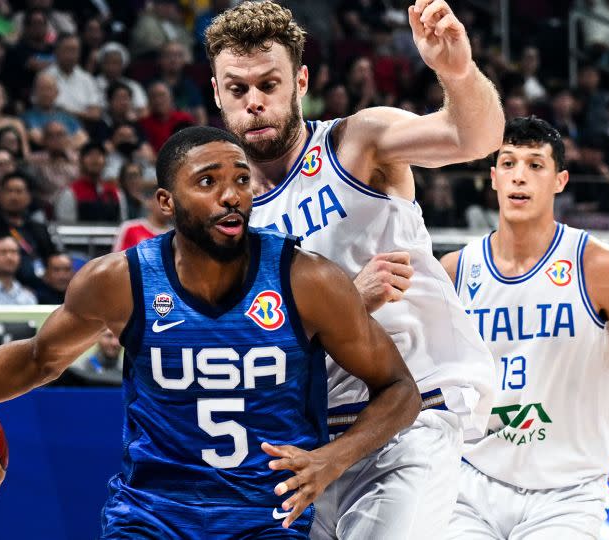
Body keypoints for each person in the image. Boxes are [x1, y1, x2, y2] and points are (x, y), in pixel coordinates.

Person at [0, 126, 422, 537]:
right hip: (151, 516)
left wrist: (334, 458)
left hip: (265, 518)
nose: (232, 196)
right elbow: (38, 359)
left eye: (240, 181)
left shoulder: (309, 281)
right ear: (166, 202)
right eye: (208, 182)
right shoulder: (119, 281)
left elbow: (401, 389)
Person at [208, 1, 500, 535]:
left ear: (300, 81)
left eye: (268, 85)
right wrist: (345, 300)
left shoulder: (356, 142)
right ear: (216, 93)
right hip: (305, 441)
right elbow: (235, 343)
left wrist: (455, 72)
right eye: (238, 89)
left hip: (410, 412)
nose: (254, 103)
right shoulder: (225, 211)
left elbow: (474, 139)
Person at [439, 117, 609, 539]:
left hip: (567, 494)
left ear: (560, 180)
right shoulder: (456, 271)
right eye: (509, 163)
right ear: (493, 178)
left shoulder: (599, 267)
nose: (520, 175)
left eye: (535, 165)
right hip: (471, 482)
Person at [0, 171, 55, 289]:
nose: (14, 197)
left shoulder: (40, 230)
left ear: (29, 197)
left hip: (39, 291)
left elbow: (51, 261)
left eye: (19, 191)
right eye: (9, 191)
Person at [112, 176, 171, 251]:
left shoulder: (176, 235)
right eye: (161, 200)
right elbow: (116, 259)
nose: (165, 204)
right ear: (149, 201)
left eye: (168, 200)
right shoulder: (129, 228)